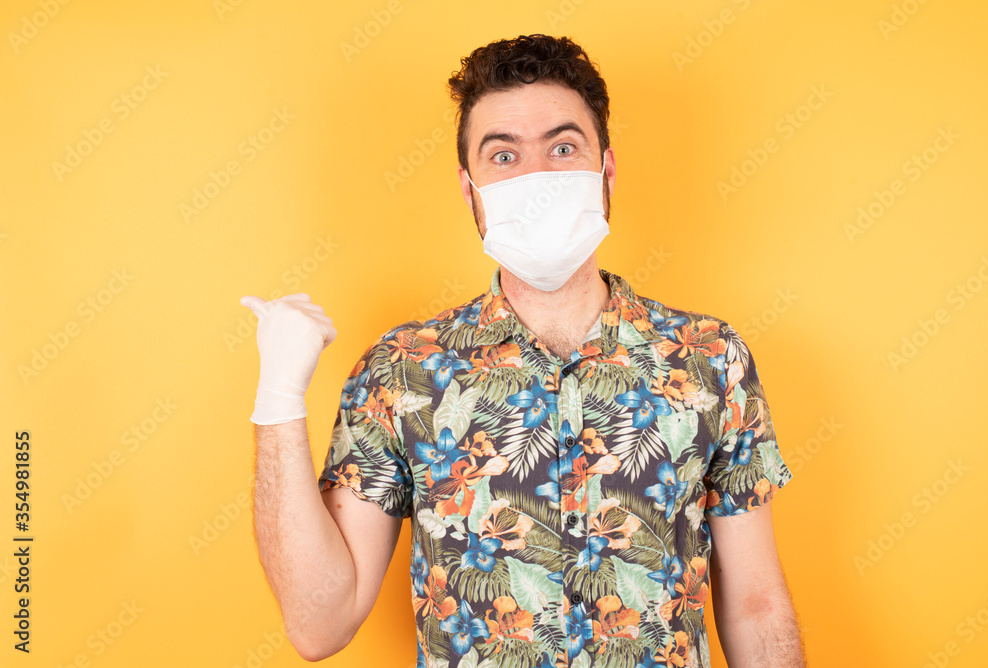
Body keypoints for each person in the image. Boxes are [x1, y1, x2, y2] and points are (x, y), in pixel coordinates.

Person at [241, 34, 805, 668]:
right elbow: (320, 624)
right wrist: (279, 397)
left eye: (563, 148)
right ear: (470, 189)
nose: (537, 179)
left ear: (606, 172)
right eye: (504, 156)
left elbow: (756, 605)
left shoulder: (709, 359)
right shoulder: (402, 371)